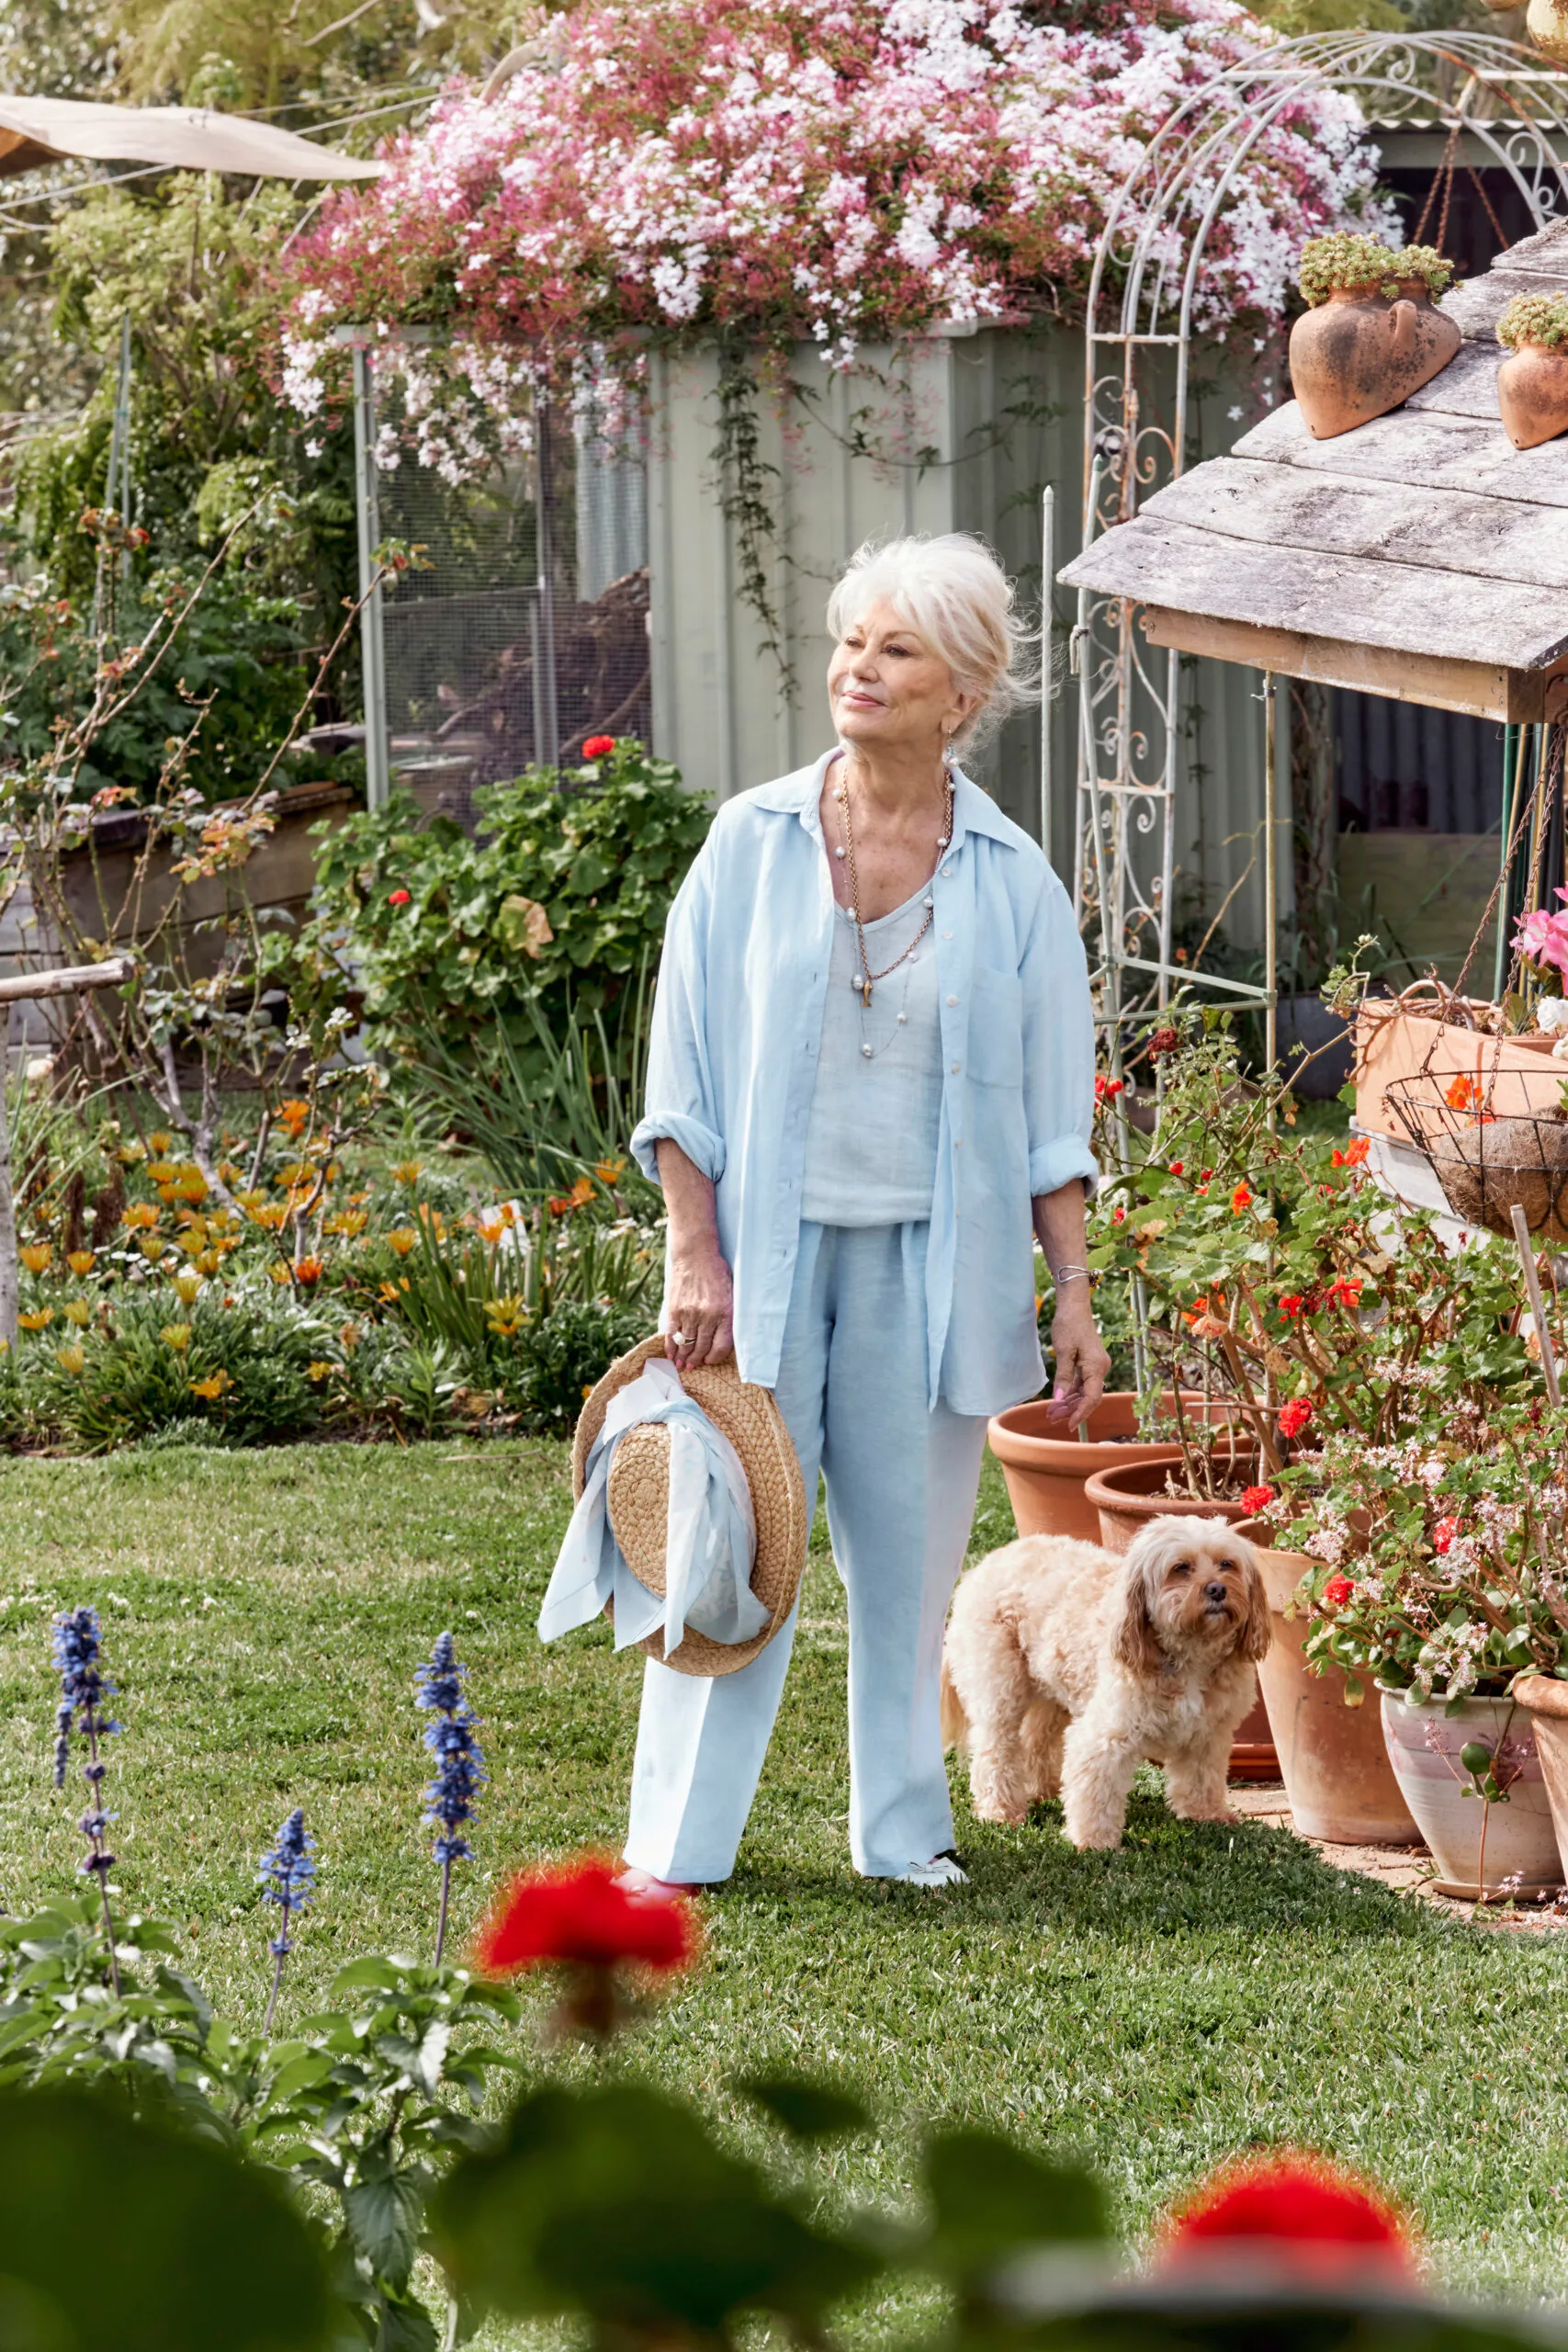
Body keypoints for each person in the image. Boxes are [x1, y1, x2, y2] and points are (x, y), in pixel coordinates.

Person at [621, 530, 1108, 1894]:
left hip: (933, 1269)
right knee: (735, 1549)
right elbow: (684, 1072)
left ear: (961, 691)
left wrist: (1072, 1295)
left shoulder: (1014, 881)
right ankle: (676, 1847)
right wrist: (692, 1247)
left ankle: (902, 1837)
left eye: (894, 649)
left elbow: (1050, 1121)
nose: (858, 669)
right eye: (851, 641)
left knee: (906, 1578)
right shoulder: (751, 843)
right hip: (760, 1265)